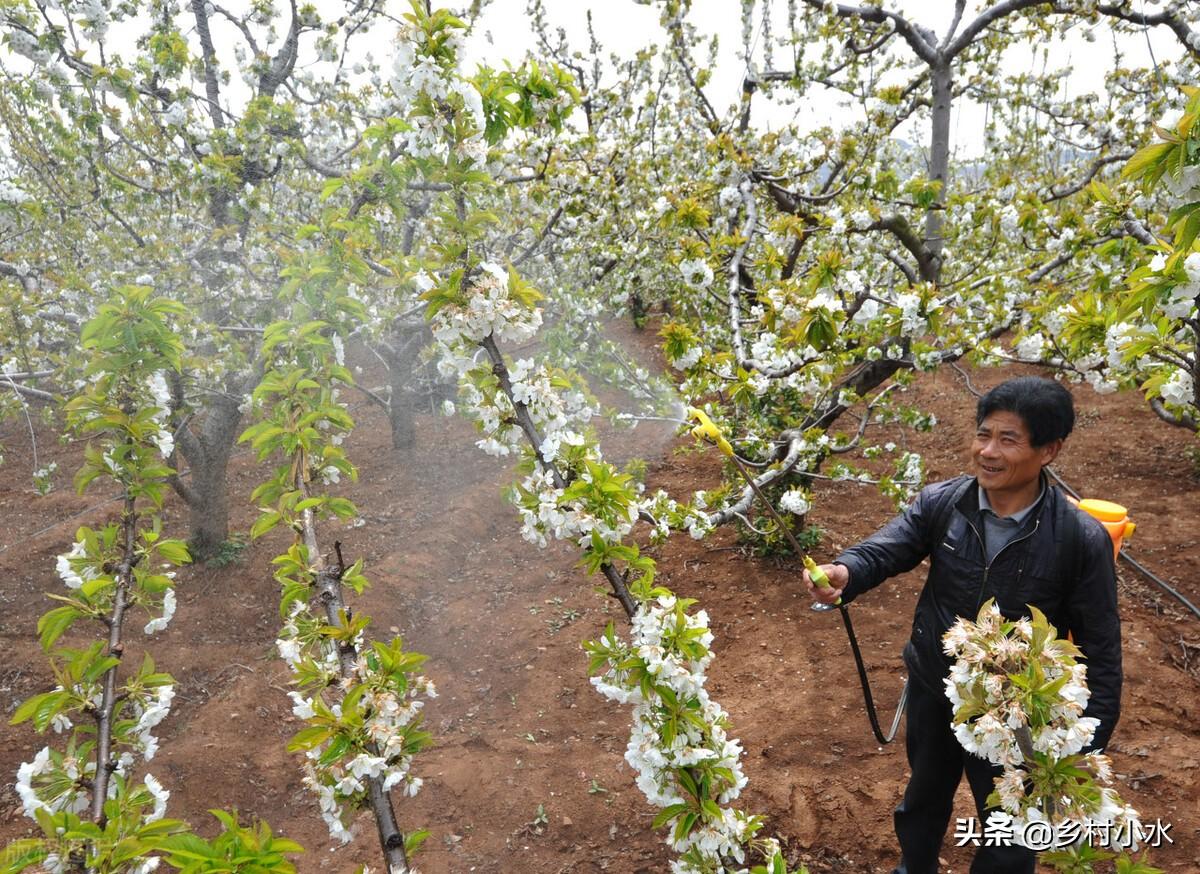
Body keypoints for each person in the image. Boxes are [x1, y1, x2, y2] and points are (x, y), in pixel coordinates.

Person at [805, 376, 1122, 874]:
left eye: (1008, 440)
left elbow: (1102, 649)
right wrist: (848, 570)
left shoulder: (1078, 539)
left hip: (1016, 709)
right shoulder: (944, 503)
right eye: (983, 435)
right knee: (923, 798)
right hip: (936, 685)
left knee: (1011, 830)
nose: (987, 452)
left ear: (1050, 450)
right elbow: (889, 545)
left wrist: (1085, 743)